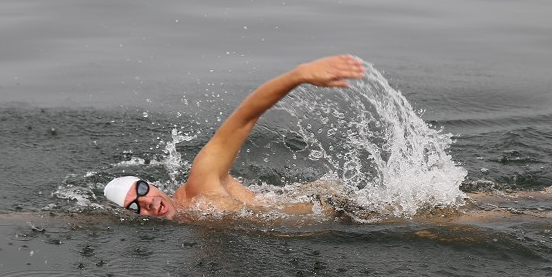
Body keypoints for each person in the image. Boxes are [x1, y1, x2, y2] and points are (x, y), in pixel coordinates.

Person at [103, 54, 366, 220]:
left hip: (340, 210)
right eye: (135, 207)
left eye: (141, 190)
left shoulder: (201, 186)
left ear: (150, 184)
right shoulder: (188, 215)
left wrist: (297, 76)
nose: (147, 203)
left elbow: (243, 119)